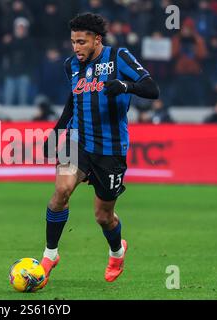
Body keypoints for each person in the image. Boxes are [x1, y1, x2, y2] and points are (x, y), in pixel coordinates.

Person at [39, 13, 159, 287]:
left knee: (103, 217)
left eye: (81, 42)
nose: (76, 48)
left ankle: (117, 251)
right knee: (61, 192)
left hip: (111, 148)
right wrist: (56, 133)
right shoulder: (71, 65)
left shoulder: (119, 57)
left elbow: (152, 89)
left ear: (97, 40)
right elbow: (73, 101)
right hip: (78, 141)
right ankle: (50, 255)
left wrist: (126, 86)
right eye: (73, 42)